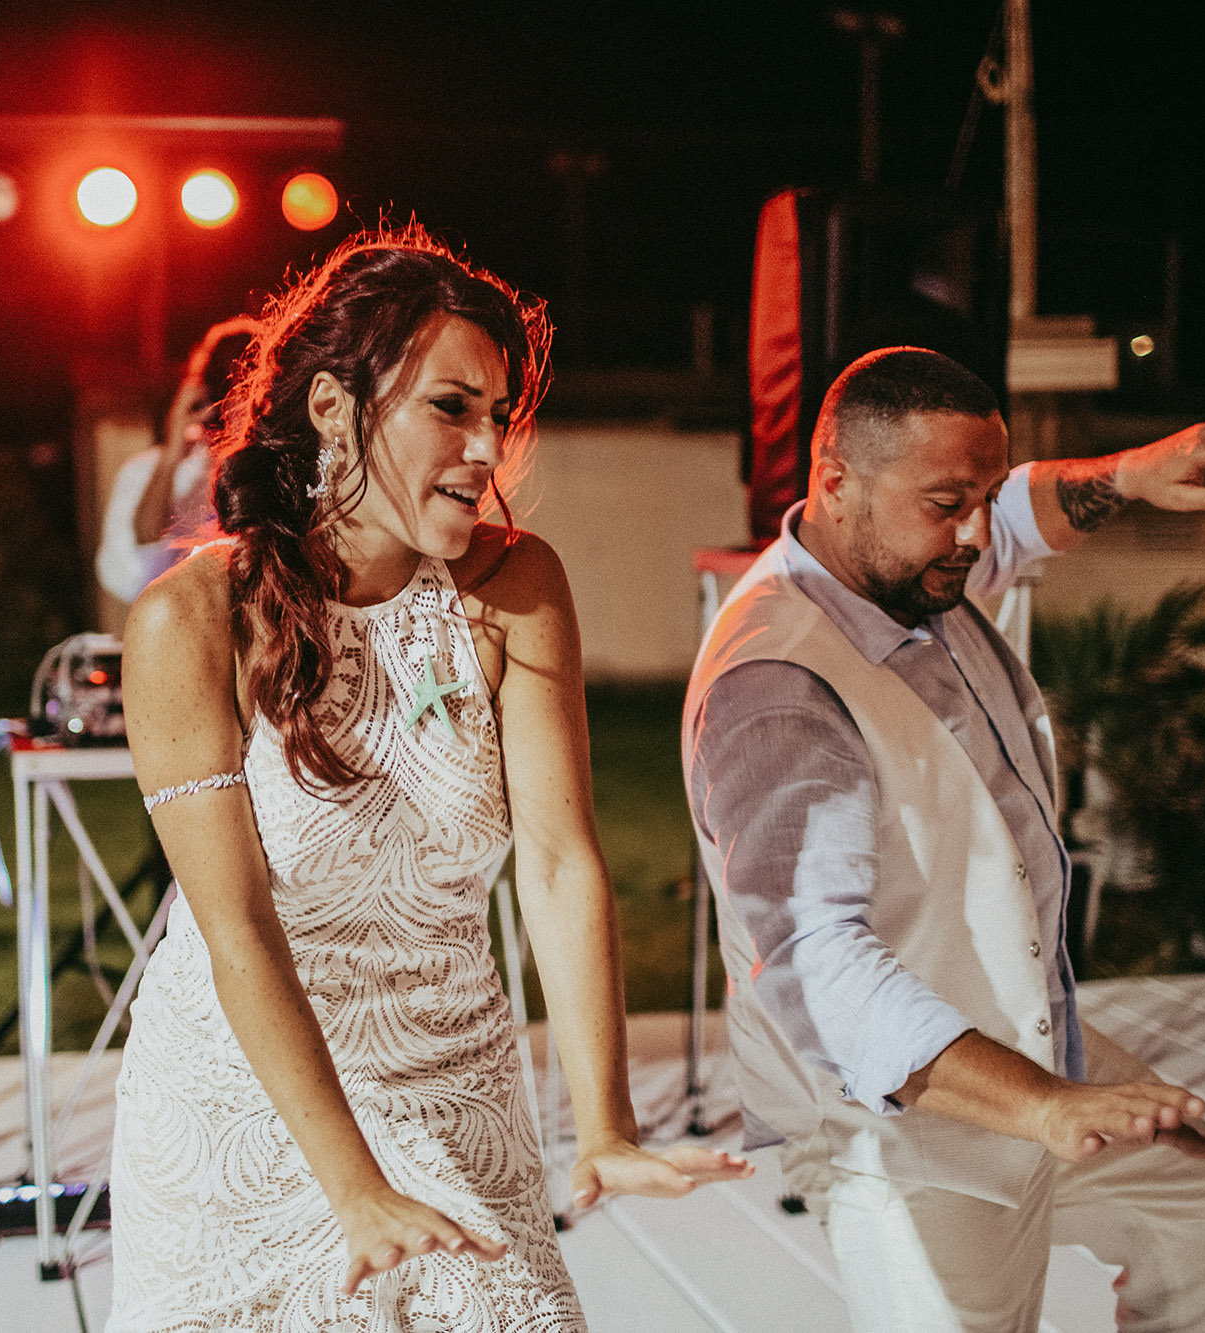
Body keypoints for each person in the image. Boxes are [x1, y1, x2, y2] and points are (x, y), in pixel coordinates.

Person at [109, 226, 750, 1331]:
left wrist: (603, 1125)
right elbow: (237, 931)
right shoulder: (188, 620)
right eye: (450, 407)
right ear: (330, 411)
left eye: (498, 416)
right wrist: (351, 1187)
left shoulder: (515, 586)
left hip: (454, 1082)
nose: (484, 449)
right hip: (244, 1107)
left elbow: (556, 862)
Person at [682, 347, 1205, 1332]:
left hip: (1027, 1041)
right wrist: (1042, 1109)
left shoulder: (903, 561)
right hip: (899, 1126)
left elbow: (1011, 514)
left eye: (978, 498)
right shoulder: (776, 689)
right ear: (835, 483)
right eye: (945, 502)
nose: (972, 534)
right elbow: (814, 966)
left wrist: (1130, 472)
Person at [95, 316, 261, 603]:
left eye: (257, 393)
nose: (244, 409)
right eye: (235, 392)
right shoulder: (146, 469)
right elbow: (147, 539)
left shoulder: (277, 470)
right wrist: (174, 450)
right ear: (210, 398)